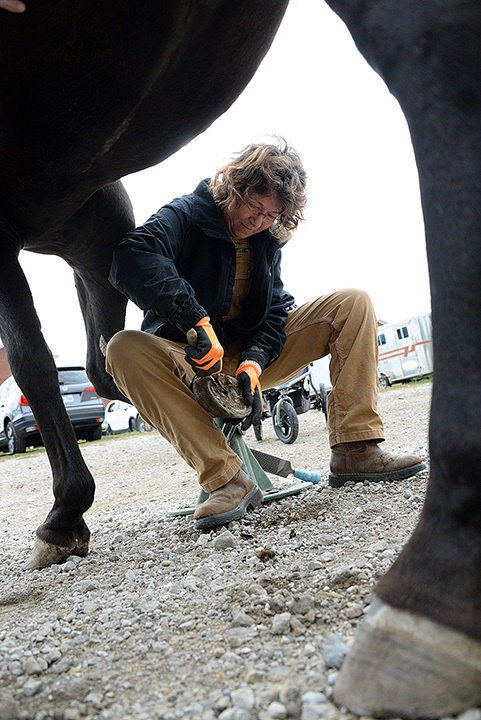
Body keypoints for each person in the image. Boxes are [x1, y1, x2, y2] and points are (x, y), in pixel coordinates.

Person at [106, 137, 425, 530]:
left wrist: (255, 364)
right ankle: (226, 479)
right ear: (234, 187)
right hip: (190, 359)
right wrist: (195, 319)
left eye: (270, 215)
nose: (257, 221)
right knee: (122, 347)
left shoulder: (266, 240)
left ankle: (355, 448)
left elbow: (276, 309)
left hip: (247, 366)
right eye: (253, 207)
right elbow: (132, 256)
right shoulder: (186, 213)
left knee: (353, 303)